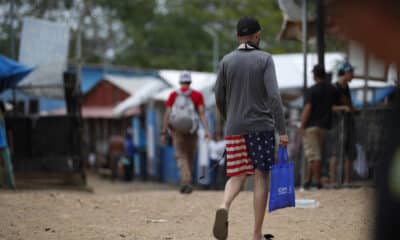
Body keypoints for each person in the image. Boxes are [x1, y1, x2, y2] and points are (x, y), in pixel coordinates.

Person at [213, 16, 289, 240]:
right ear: (258, 35)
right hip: (261, 128)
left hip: (234, 127)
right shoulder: (265, 59)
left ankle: (225, 205)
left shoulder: (226, 61)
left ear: (238, 36)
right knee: (260, 176)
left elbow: (218, 95)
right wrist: (282, 130)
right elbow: (274, 97)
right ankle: (256, 233)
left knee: (237, 174)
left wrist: (230, 118)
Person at [161, 71, 210, 194]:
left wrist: (163, 132)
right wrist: (207, 130)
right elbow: (202, 113)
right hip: (192, 129)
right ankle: (187, 180)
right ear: (190, 82)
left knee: (180, 155)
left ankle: (185, 181)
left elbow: (167, 113)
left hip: (177, 130)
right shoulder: (197, 95)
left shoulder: (173, 95)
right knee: (190, 156)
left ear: (180, 82)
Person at [300, 64, 345, 190]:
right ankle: (308, 180)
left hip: (311, 126)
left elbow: (308, 108)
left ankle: (317, 182)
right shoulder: (331, 89)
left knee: (314, 155)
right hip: (325, 126)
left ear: (314, 75)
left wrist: (302, 124)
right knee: (313, 154)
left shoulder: (312, 90)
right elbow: (341, 98)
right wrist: (349, 107)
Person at [328, 62, 357, 187]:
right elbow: (330, 107)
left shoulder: (347, 88)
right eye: (351, 73)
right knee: (336, 153)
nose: (352, 75)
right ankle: (333, 180)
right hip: (338, 125)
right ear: (345, 73)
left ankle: (347, 181)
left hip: (348, 123)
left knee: (349, 153)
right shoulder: (334, 88)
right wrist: (344, 107)